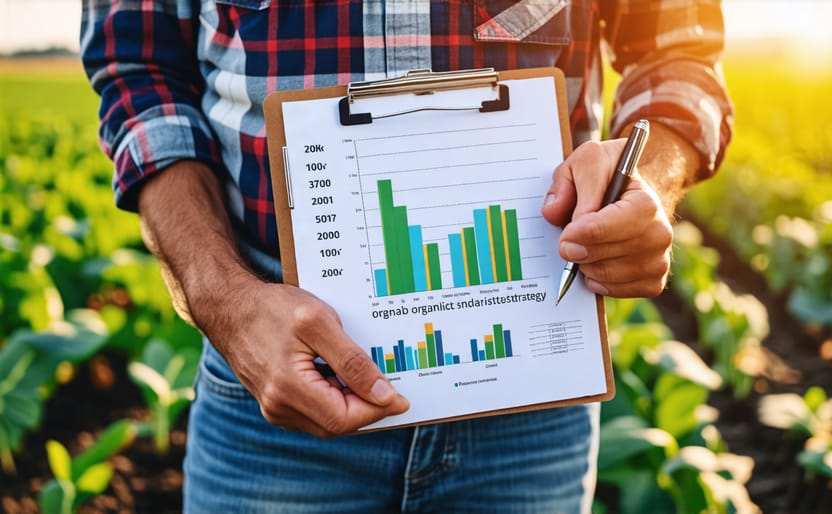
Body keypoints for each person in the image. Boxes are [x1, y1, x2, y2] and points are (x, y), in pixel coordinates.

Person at [81, 0, 733, 512]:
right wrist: (220, 296)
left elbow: (678, 55)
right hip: (271, 393)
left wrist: (648, 175)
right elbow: (137, 66)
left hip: (534, 392)